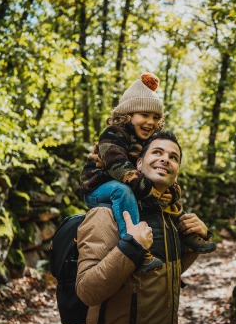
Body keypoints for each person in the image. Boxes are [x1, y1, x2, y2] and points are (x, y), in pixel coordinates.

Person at [76, 131, 211, 324]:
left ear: (177, 171)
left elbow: (164, 275)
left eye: (173, 157)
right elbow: (87, 291)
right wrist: (132, 247)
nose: (165, 159)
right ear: (138, 164)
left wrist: (198, 238)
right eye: (157, 152)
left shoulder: (168, 214)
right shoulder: (106, 213)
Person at [79, 72, 215, 273]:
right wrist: (146, 189)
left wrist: (170, 193)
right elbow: (117, 165)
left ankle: (187, 234)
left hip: (129, 184)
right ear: (128, 115)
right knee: (122, 192)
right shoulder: (114, 133)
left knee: (162, 190)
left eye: (155, 117)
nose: (150, 122)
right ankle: (136, 247)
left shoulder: (148, 142)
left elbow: (156, 173)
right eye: (144, 115)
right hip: (99, 186)